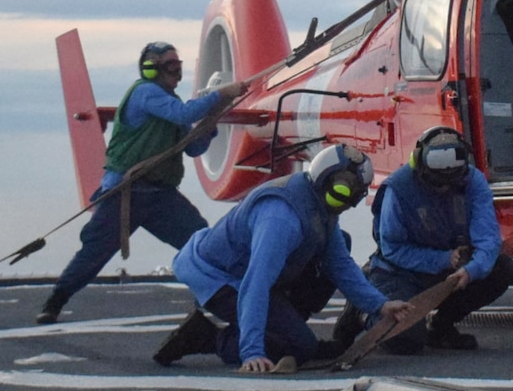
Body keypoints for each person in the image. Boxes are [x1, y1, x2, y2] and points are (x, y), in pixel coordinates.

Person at [36, 42, 247, 325]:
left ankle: (214, 302)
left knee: (204, 245)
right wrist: (221, 95)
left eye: (178, 66)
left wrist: (210, 125)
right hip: (125, 193)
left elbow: (193, 149)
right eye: (171, 67)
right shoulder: (145, 92)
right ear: (151, 70)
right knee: (93, 255)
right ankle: (55, 301)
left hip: (161, 196)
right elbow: (183, 115)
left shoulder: (170, 103)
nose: (176, 73)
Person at [153, 143, 408, 372]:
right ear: (323, 180)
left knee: (343, 241)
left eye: (351, 199)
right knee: (300, 348)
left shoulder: (321, 205)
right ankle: (209, 338)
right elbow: (256, 282)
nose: (343, 205)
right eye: (340, 194)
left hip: (250, 274)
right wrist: (252, 352)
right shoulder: (281, 220)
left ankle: (285, 331)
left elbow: (339, 264)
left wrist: (380, 305)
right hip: (219, 278)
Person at [337, 127, 513, 353]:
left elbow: (488, 237)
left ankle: (442, 327)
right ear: (421, 169)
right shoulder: (398, 189)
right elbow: (392, 248)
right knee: (405, 342)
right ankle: (361, 312)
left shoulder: (473, 180)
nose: (445, 189)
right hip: (400, 271)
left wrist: (472, 270)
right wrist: (443, 259)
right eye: (438, 184)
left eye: (452, 183)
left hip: (453, 266)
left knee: (501, 269)